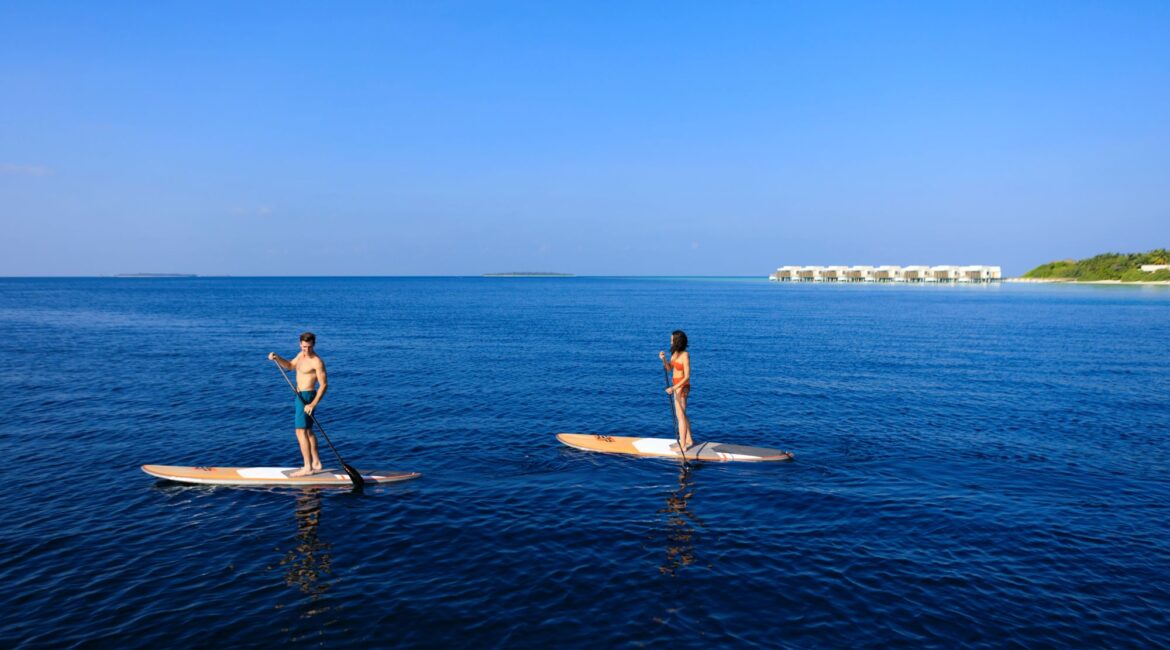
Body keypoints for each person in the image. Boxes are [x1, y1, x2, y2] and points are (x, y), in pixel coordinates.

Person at [268, 332, 327, 477]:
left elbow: (324, 385)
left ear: (313, 344)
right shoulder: (300, 355)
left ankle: (307, 467)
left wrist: (312, 404)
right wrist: (277, 357)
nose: (306, 349)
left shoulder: (316, 361)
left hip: (307, 396)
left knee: (300, 431)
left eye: (308, 346)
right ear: (300, 344)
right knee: (308, 431)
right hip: (299, 395)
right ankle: (316, 463)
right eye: (303, 346)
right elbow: (289, 366)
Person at [658, 329, 692, 451]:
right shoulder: (674, 354)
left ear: (677, 340)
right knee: (682, 414)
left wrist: (674, 388)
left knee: (680, 416)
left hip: (682, 387)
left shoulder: (685, 355)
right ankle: (689, 439)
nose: (670, 341)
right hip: (676, 385)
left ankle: (683, 446)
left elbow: (687, 376)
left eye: (672, 339)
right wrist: (664, 359)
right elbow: (669, 369)